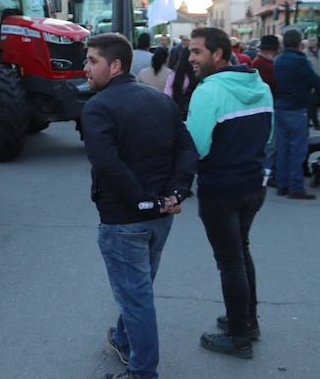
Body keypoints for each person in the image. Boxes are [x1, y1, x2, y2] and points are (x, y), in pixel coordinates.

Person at [81, 33, 198, 379]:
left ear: (115, 66)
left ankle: (142, 372)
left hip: (128, 222)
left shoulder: (98, 107)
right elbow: (186, 150)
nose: (85, 68)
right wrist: (171, 195)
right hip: (157, 217)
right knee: (138, 289)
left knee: (137, 299)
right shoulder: (160, 101)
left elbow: (108, 164)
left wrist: (150, 200)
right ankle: (123, 339)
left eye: (92, 60)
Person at [186, 27, 273, 359]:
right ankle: (246, 321)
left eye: (197, 52)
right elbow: (268, 137)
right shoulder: (260, 86)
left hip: (221, 188)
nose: (190, 58)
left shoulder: (208, 91)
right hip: (253, 186)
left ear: (218, 54)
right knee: (240, 253)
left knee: (230, 260)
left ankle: (239, 336)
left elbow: (197, 146)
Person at [274, 29, 320, 199]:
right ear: (299, 43)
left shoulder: (278, 60)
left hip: (280, 107)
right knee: (297, 150)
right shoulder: (301, 61)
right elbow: (315, 80)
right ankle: (296, 187)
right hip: (296, 108)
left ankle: (282, 185)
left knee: (283, 148)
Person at [251, 35, 279, 184]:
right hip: (267, 106)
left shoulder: (262, 62)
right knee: (269, 144)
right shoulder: (263, 64)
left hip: (265, 106)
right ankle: (266, 174)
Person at [163, 46, 198, 121]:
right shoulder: (199, 75)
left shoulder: (173, 76)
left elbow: (167, 97)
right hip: (195, 113)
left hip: (178, 114)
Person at [304, 35, 320, 131]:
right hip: (311, 83)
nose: (312, 42)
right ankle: (316, 123)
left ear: (317, 41)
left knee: (316, 103)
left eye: (313, 40)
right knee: (312, 104)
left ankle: (308, 122)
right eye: (310, 40)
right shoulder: (305, 54)